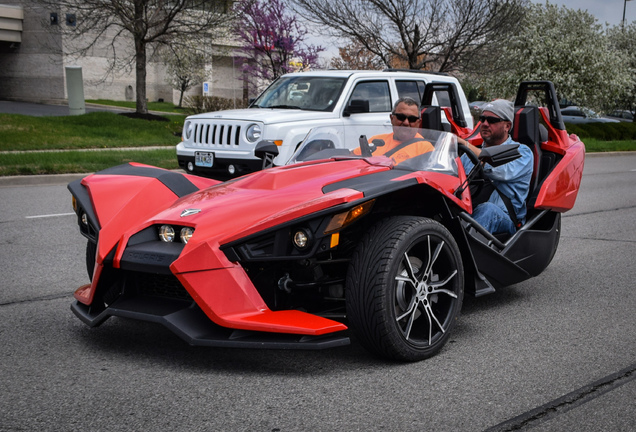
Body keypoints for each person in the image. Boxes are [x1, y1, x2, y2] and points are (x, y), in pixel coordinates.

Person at [459, 99, 534, 235]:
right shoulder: (468, 154)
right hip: (468, 210)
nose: (485, 124)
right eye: (482, 119)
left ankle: (460, 253)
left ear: (507, 126)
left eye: (492, 120)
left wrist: (466, 145)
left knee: (488, 210)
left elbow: (500, 171)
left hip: (505, 217)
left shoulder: (521, 152)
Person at [352, 97, 434, 164]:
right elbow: (350, 157)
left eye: (412, 119)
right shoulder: (376, 140)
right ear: (391, 118)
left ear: (418, 123)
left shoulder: (425, 148)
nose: (406, 123)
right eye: (401, 117)